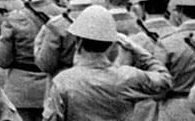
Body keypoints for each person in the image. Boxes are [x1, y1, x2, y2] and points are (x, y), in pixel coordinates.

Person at [40, 7, 170, 121]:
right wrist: (135, 48)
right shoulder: (127, 76)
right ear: (111, 45)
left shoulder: (63, 81)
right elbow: (165, 80)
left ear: (78, 42)